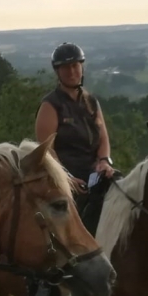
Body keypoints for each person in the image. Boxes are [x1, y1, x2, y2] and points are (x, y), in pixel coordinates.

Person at [34, 43, 116, 234]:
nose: (71, 72)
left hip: (95, 172)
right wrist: (67, 178)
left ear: (81, 67)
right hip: (65, 176)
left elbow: (103, 138)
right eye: (65, 68)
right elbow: (46, 149)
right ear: (58, 72)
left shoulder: (91, 101)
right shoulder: (51, 105)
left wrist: (104, 161)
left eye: (75, 66)